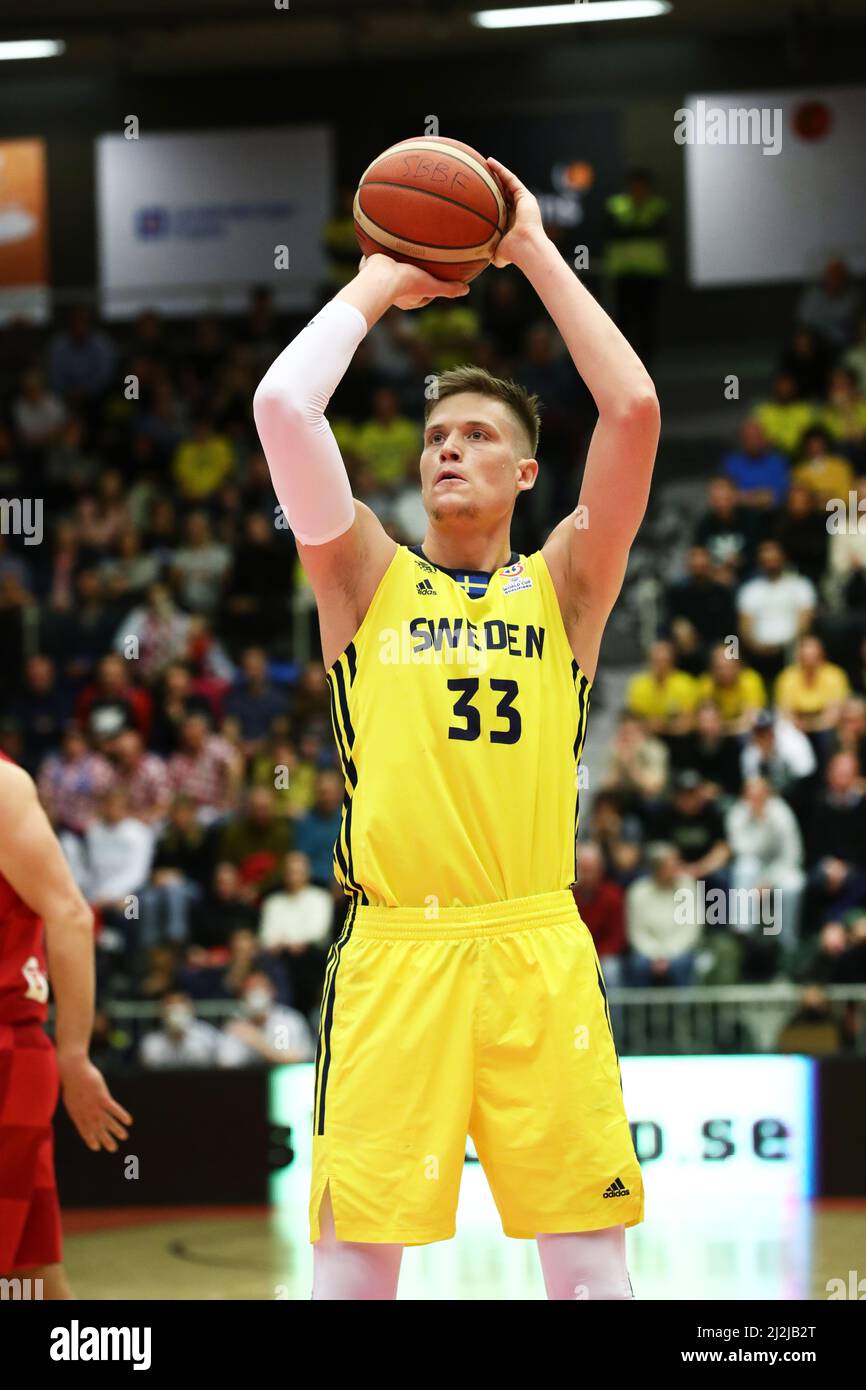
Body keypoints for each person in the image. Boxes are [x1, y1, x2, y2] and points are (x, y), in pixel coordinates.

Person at [253, 154, 659, 1300]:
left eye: (477, 435)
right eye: (436, 436)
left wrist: (527, 246)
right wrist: (380, 278)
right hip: (395, 958)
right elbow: (284, 407)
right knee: (351, 1275)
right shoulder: (365, 579)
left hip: (537, 947)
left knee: (587, 1272)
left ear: (528, 471)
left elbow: (630, 409)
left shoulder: (565, 586)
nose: (446, 448)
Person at [0, 753, 131, 1298]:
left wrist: (74, 1054)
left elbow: (71, 913)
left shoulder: (3, 786)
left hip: (8, 1050)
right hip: (17, 1061)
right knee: (32, 1278)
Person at [603, 169, 669, 366]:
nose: (638, 189)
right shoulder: (615, 206)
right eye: (635, 184)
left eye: (642, 185)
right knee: (623, 322)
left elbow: (659, 232)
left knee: (647, 323)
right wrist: (640, 229)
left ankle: (647, 365)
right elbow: (612, 232)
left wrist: (631, 229)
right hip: (623, 274)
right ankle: (624, 363)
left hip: (650, 274)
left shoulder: (658, 207)